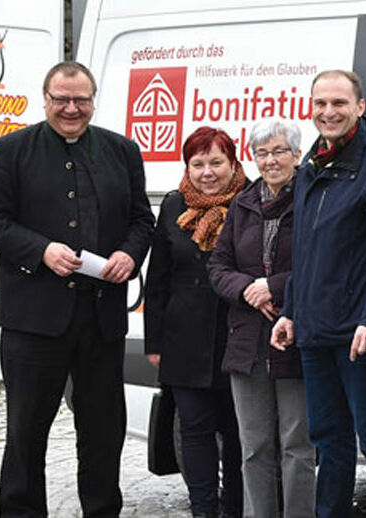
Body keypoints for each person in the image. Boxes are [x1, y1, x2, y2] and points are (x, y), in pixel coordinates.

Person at [0, 60, 154, 517]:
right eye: (62, 99)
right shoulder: (11, 150)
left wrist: (130, 255)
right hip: (34, 320)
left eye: (81, 99)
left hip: (101, 318)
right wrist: (40, 251)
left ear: (93, 100)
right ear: (46, 99)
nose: (72, 108)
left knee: (103, 433)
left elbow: (141, 220)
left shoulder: (122, 151)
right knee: (25, 434)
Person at [269, 70, 366, 518]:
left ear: (360, 108)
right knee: (327, 437)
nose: (328, 112)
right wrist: (290, 311)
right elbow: (305, 252)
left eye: (339, 103)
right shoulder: (313, 162)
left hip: (357, 332)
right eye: (320, 103)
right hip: (314, 329)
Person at [208, 119, 316, 518]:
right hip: (247, 340)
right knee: (253, 446)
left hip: (297, 336)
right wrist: (248, 290)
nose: (270, 161)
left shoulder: (312, 195)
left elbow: (323, 263)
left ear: (296, 154)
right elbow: (218, 266)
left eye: (279, 151)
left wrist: (276, 287)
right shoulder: (243, 202)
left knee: (297, 445)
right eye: (262, 153)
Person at [144, 126, 246, 518]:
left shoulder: (251, 201)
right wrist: (154, 342)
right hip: (182, 343)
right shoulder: (173, 206)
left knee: (239, 436)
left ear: (233, 162)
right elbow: (158, 279)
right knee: (195, 433)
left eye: (216, 162)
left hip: (235, 338)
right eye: (198, 163)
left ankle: (236, 509)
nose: (207, 172)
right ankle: (204, 510)